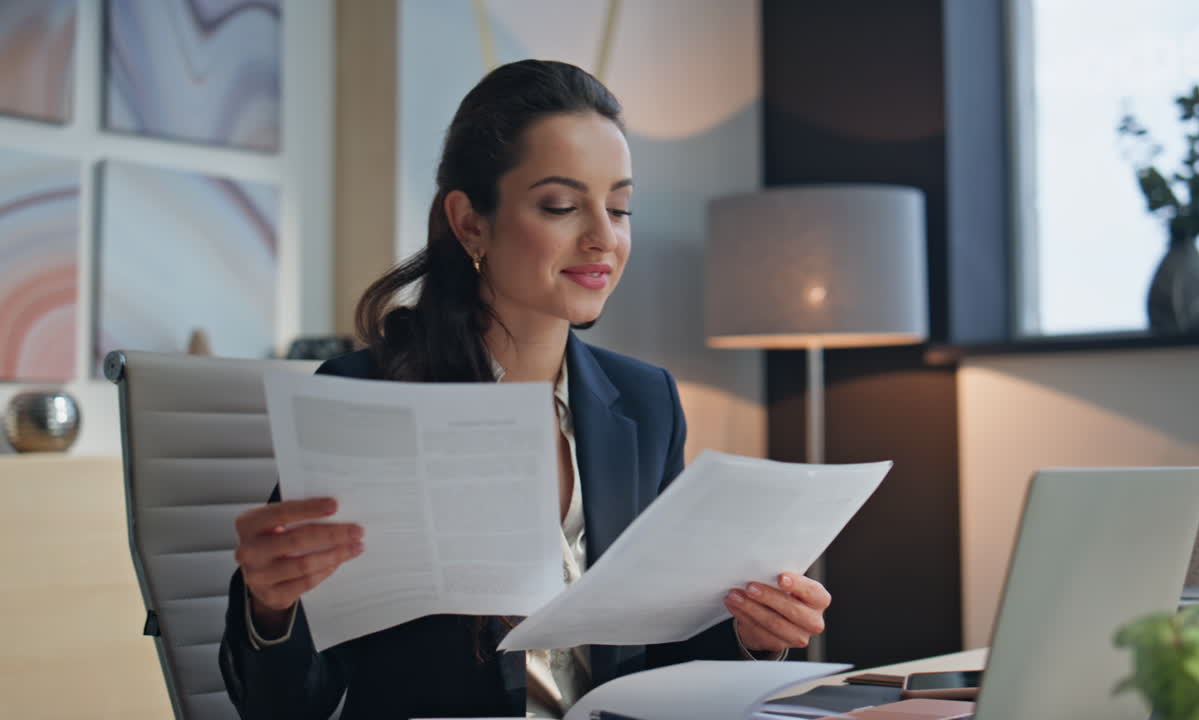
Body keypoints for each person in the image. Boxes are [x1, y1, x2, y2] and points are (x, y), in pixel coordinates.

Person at [219, 59, 831, 720]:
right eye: (562, 206)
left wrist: (752, 634)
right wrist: (271, 608)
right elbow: (289, 705)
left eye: (620, 207)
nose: (604, 238)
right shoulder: (369, 400)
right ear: (471, 223)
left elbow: (660, 660)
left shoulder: (645, 401)